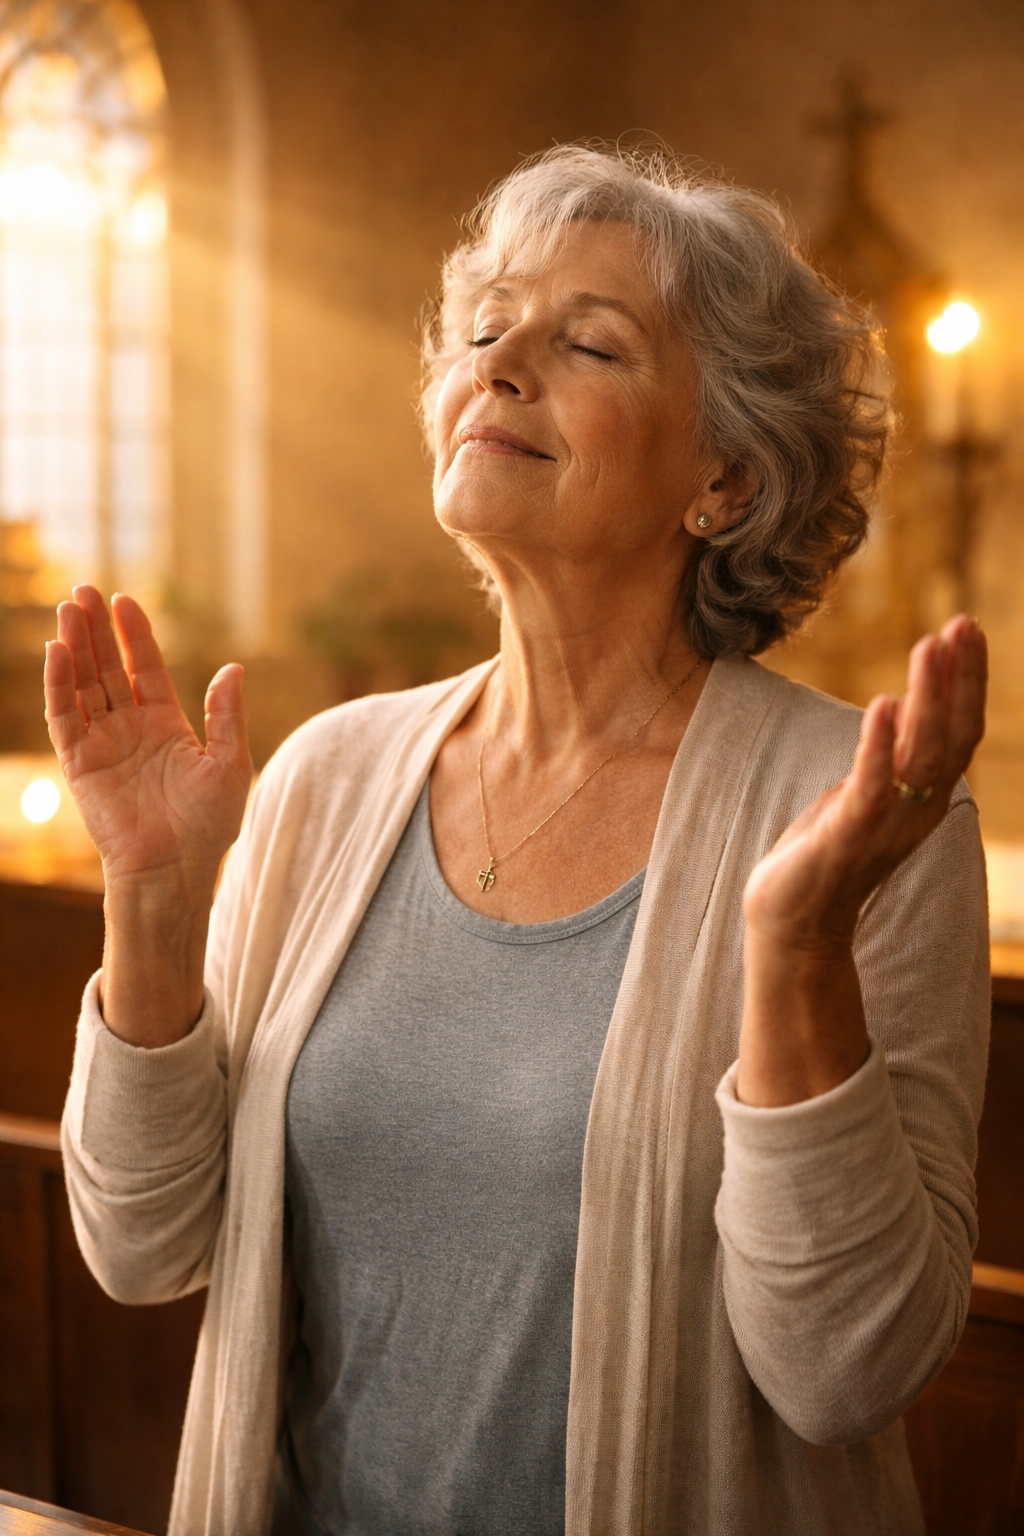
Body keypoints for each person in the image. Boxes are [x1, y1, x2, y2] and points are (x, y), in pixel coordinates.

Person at [48, 146, 989, 1536]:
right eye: (483, 331)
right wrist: (153, 898)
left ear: (723, 479)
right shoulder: (326, 776)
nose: (497, 366)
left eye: (589, 343)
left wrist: (795, 952)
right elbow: (140, 1247)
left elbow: (847, 1368)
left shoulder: (860, 819)